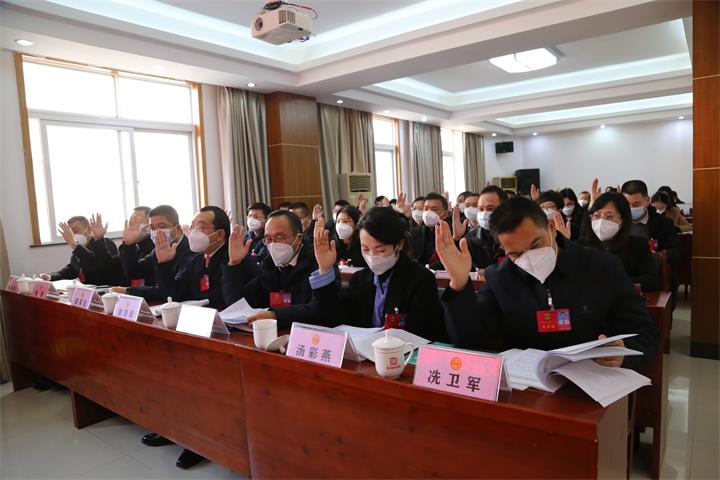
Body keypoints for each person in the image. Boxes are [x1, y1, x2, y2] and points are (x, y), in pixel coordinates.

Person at [434, 197, 658, 371]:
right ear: (504, 249)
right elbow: (470, 339)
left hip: (593, 381)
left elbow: (645, 332)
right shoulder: (500, 278)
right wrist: (459, 282)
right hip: (528, 388)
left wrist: (623, 353)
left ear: (551, 227)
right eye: (516, 254)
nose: (530, 258)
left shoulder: (602, 267)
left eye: (536, 245)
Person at [310, 207, 447, 341]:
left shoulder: (420, 279)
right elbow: (337, 319)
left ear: (399, 244)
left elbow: (425, 333)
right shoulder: (360, 279)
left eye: (380, 250)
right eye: (365, 249)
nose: (372, 256)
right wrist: (325, 269)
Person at [222, 210, 322, 328]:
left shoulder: (318, 260)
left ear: (299, 238)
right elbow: (239, 305)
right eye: (268, 239)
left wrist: (275, 315)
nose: (273, 244)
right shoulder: (270, 263)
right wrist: (234, 264)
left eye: (279, 237)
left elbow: (319, 309)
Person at [580, 193, 660, 291]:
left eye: (609, 217)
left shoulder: (638, 245)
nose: (601, 221)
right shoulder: (580, 246)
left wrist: (614, 283)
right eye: (597, 215)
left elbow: (652, 281)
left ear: (623, 221)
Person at [154, 206, 230, 310]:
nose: (194, 233)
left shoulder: (233, 259)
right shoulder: (195, 260)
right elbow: (174, 295)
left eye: (200, 227)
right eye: (193, 227)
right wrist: (164, 263)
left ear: (220, 234)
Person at [115, 205, 190, 301]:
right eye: (153, 228)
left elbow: (173, 292)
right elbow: (134, 271)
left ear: (178, 229)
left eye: (162, 226)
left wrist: (129, 291)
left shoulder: (191, 250)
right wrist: (128, 245)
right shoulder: (158, 249)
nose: (157, 232)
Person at [39, 215, 123, 286]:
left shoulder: (104, 243)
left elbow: (98, 266)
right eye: (70, 233)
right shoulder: (78, 249)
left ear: (89, 229)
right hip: (89, 291)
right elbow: (71, 269)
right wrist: (50, 276)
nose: (73, 235)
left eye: (75, 230)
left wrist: (74, 245)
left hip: (107, 289)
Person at [621, 180, 679, 265]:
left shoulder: (663, 223)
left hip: (651, 268)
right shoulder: (617, 222)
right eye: (626, 204)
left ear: (647, 200)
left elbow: (676, 253)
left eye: (636, 204)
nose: (630, 208)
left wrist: (658, 255)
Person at [463, 186, 507, 269]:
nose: (484, 214)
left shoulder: (516, 235)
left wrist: (490, 273)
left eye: (490, 209)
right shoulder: (472, 237)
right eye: (480, 209)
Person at [410, 192, 450, 268]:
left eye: (433, 209)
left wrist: (429, 267)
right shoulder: (416, 232)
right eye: (426, 209)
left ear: (445, 214)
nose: (428, 212)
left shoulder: (452, 233)